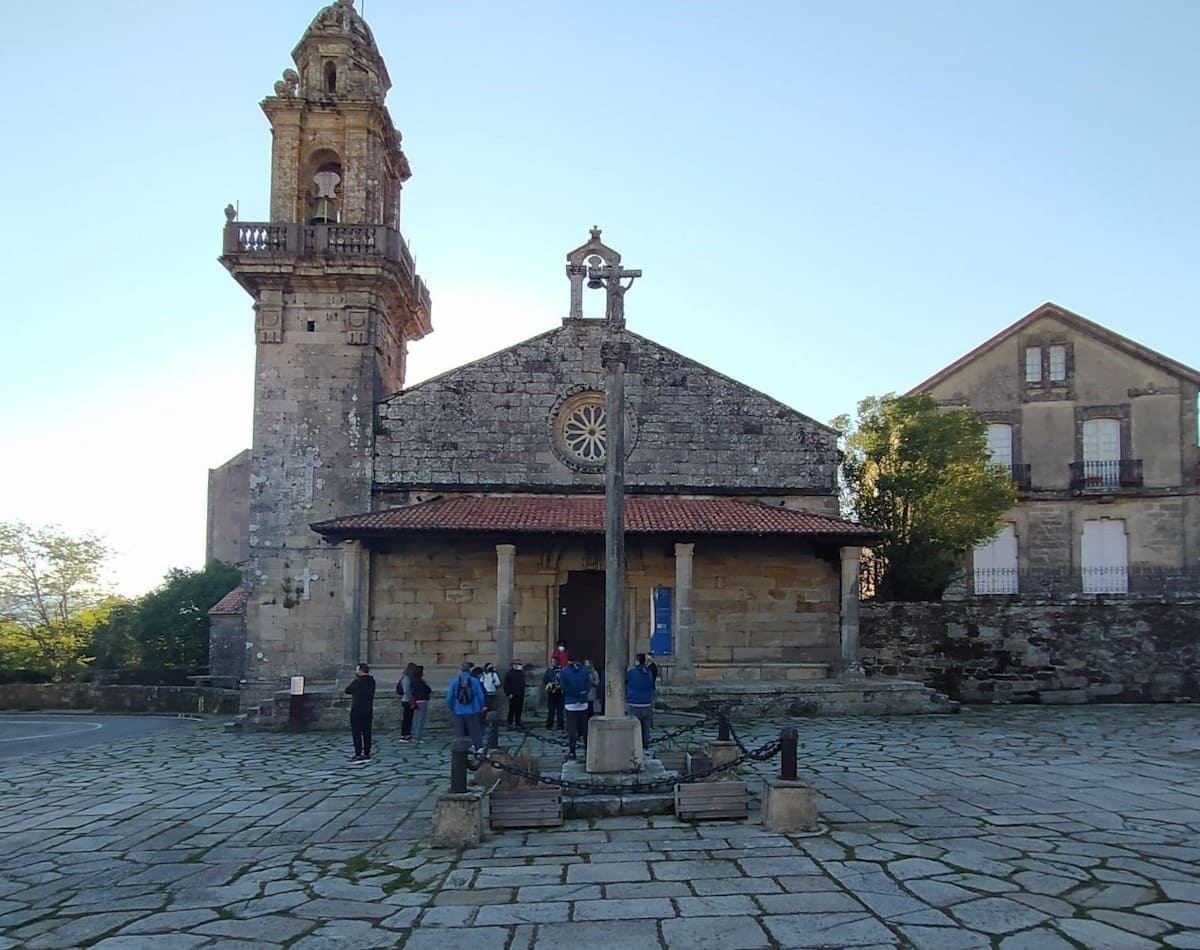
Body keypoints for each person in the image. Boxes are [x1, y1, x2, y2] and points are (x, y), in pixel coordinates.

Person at [446, 661, 486, 752]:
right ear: (469, 671)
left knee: (459, 732)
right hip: (472, 709)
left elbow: (449, 697)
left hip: (458, 710)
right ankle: (478, 747)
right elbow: (481, 697)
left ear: (460, 671)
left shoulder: (455, 681)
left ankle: (459, 749)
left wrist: (452, 707)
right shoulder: (474, 681)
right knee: (475, 731)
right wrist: (480, 707)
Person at [559, 658, 591, 759]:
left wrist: (575, 696)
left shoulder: (564, 671)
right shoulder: (585, 670)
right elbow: (588, 685)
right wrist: (581, 696)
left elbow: (564, 686)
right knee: (584, 728)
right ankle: (587, 749)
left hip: (571, 703)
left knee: (571, 729)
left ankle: (572, 752)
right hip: (583, 703)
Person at [344, 662, 376, 763]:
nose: (356, 672)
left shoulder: (357, 682)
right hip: (368, 709)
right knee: (367, 731)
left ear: (361, 671)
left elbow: (347, 690)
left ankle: (358, 753)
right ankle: (367, 752)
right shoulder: (372, 682)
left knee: (357, 732)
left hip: (357, 710)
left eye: (357, 670)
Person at [625, 653, 655, 752]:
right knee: (646, 727)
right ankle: (645, 745)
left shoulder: (632, 672)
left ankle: (634, 744)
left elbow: (625, 680)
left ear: (637, 661)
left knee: (634, 726)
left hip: (634, 702)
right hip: (647, 702)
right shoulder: (649, 672)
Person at [409, 665, 432, 744]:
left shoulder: (412, 682)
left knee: (415, 719)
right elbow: (428, 690)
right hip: (422, 701)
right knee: (420, 720)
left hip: (415, 701)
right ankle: (418, 737)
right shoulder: (420, 682)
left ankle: (414, 735)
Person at [396, 662, 416, 742]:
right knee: (406, 718)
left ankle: (408, 734)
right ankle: (404, 734)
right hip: (407, 700)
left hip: (409, 700)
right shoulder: (406, 678)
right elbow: (406, 690)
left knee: (409, 718)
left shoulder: (409, 678)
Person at [543, 657, 565, 730]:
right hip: (551, 692)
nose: (552, 663)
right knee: (551, 710)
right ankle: (549, 724)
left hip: (560, 692)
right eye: (551, 661)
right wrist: (550, 683)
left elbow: (565, 680)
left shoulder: (562, 670)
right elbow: (545, 680)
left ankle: (560, 725)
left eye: (553, 661)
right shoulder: (549, 670)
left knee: (560, 710)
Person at [504, 659, 526, 728]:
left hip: (520, 694)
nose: (518, 666)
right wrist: (508, 693)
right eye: (516, 664)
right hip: (512, 694)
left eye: (519, 664)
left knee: (519, 709)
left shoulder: (521, 673)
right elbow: (506, 684)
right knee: (512, 709)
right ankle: (509, 722)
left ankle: (518, 721)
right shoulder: (509, 673)